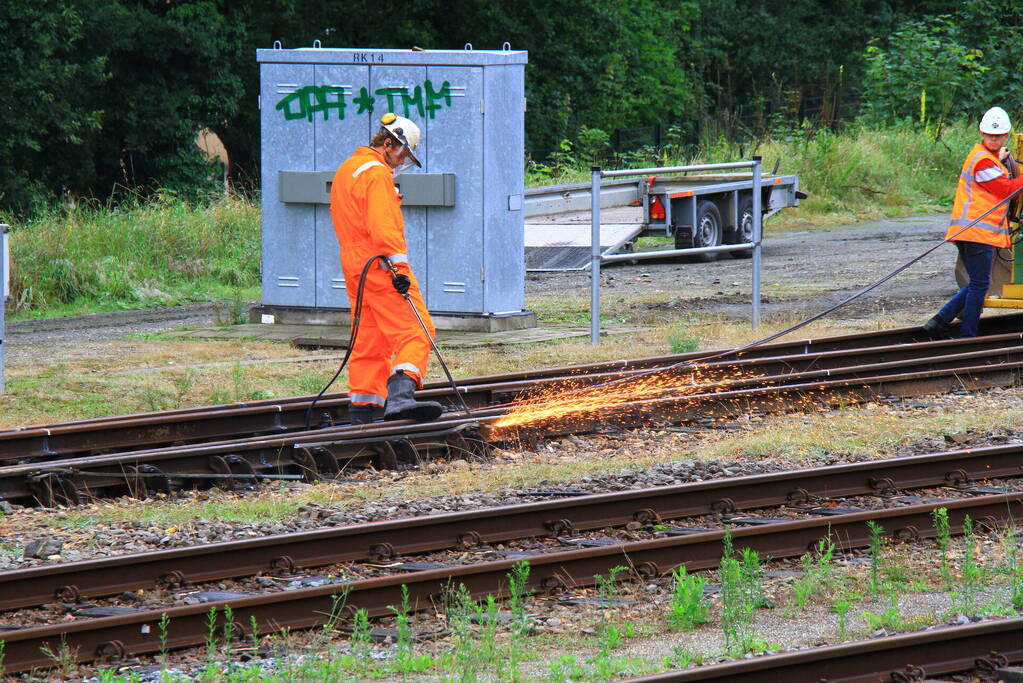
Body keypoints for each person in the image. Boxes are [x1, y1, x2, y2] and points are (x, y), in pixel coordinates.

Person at [329, 113, 443, 424]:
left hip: (354, 264)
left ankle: (363, 410)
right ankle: (401, 394)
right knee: (417, 331)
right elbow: (383, 229)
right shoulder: (377, 174)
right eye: (403, 152)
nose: (402, 160)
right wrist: (400, 269)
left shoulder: (348, 169)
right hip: (380, 263)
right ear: (389, 143)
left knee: (370, 339)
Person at [925, 106, 1023, 339]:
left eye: (998, 135)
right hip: (976, 232)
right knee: (980, 284)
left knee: (978, 282)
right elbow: (1006, 190)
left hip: (971, 231)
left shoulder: (987, 158)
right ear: (981, 133)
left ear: (1006, 136)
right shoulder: (983, 161)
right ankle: (968, 335)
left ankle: (940, 320)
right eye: (990, 134)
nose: (994, 139)